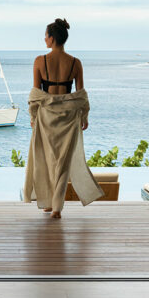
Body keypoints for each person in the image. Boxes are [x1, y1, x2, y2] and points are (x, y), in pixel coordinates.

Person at [23, 18, 103, 218]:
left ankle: (54, 205)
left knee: (46, 159)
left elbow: (36, 94)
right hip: (68, 116)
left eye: (46, 35)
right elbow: (81, 94)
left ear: (51, 38)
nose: (44, 39)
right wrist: (84, 115)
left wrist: (33, 117)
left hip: (46, 116)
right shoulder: (75, 63)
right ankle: (55, 205)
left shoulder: (40, 61)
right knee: (63, 161)